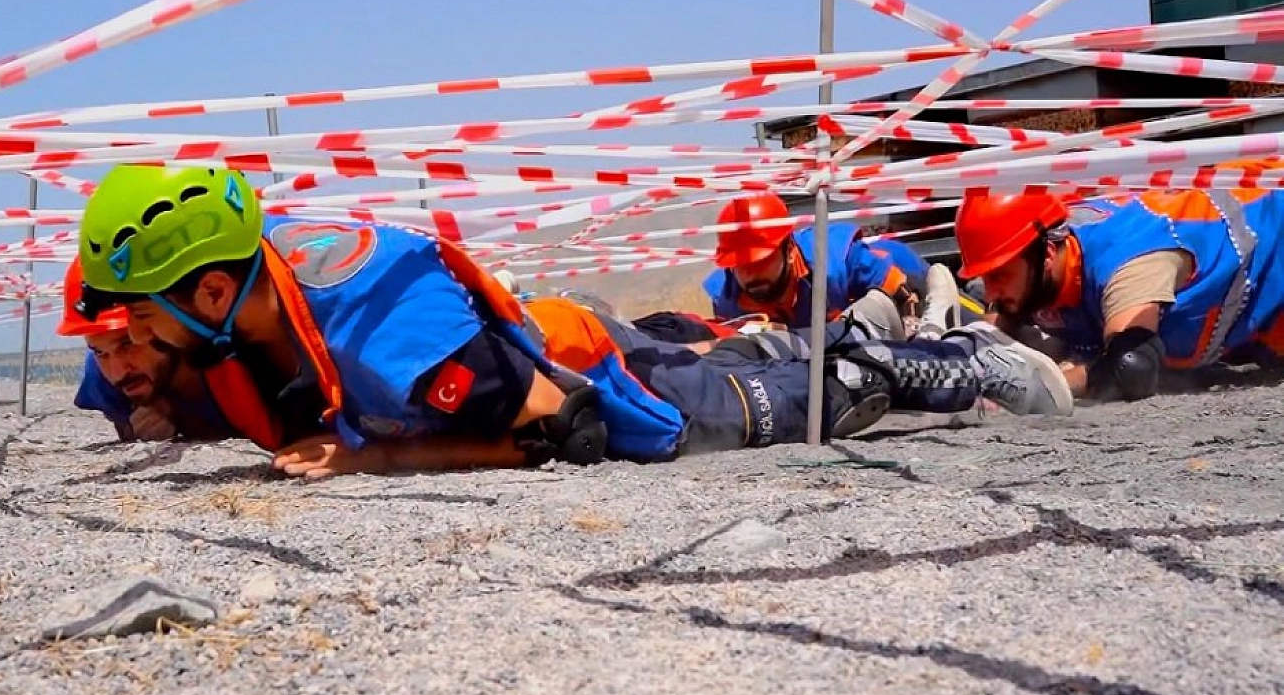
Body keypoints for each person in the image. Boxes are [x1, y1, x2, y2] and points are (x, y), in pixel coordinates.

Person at [70, 165, 1071, 479]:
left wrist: (372, 461)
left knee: (834, 384)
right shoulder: (259, 260)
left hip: (610, 392)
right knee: (749, 341)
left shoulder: (386, 342)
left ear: (208, 294)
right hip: (555, 336)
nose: (133, 339)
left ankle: (956, 354)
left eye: (140, 319)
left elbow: (565, 431)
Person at [955, 186, 1284, 403]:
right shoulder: (1041, 252)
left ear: (1048, 256)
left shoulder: (1128, 267)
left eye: (998, 275)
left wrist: (1035, 384)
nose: (992, 292)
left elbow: (1131, 369)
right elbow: (996, 325)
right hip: (1248, 311)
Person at [59, 257, 228, 443]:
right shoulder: (100, 376)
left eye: (127, 343)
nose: (118, 372)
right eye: (100, 352)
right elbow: (125, 425)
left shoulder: (229, 354)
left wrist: (185, 416)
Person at [702, 193, 931, 329]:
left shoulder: (838, 259)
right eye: (742, 266)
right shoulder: (726, 299)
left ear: (789, 251)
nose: (751, 274)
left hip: (904, 268)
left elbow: (908, 298)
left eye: (761, 261)